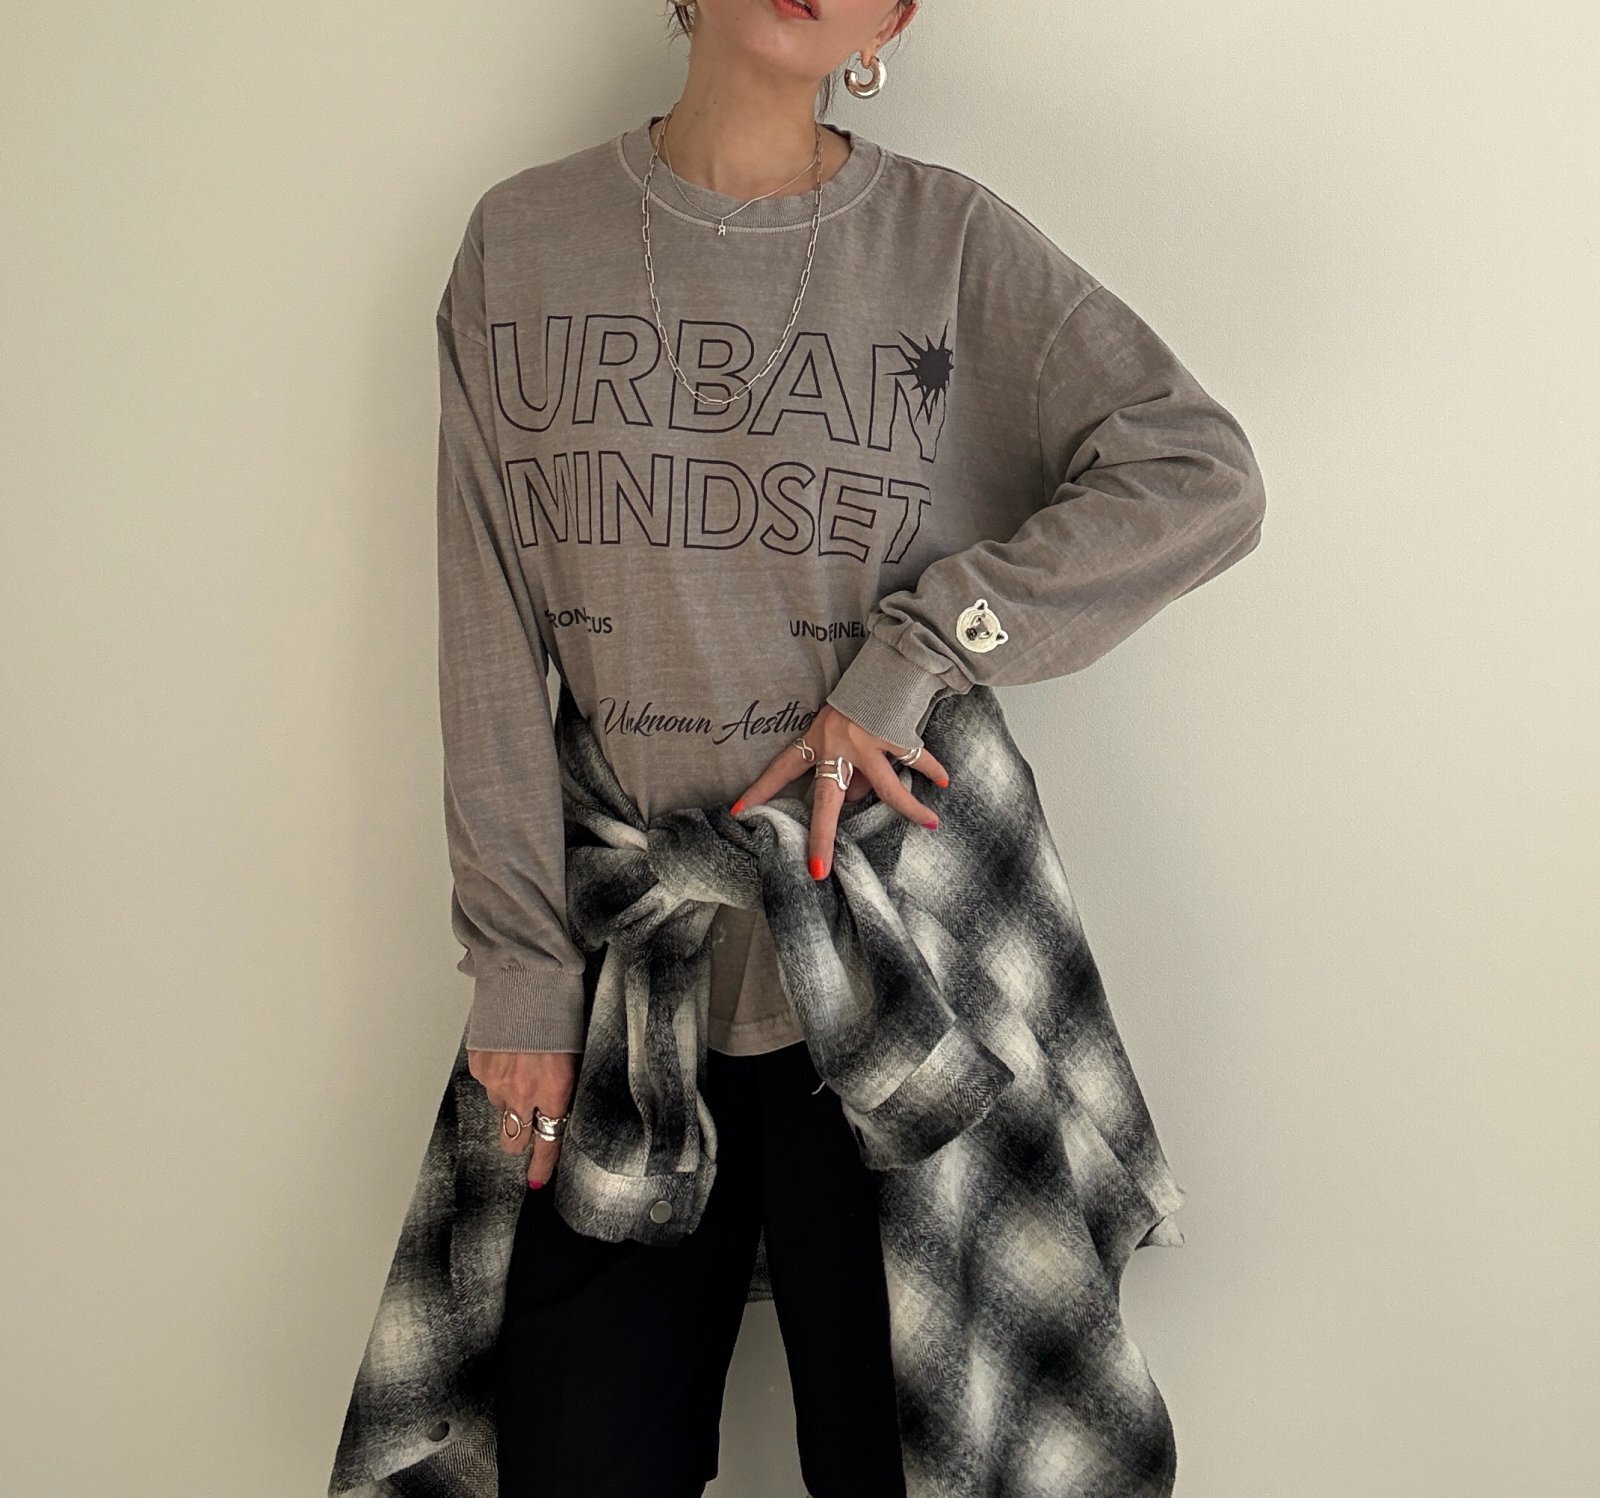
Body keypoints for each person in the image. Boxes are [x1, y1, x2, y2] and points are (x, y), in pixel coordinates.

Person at [432, 3, 1267, 1495]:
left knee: (911, 1460)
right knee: (568, 1454)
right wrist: (518, 969)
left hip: (898, 942)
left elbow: (1197, 474)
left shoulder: (947, 243)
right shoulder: (523, 243)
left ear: (893, 19)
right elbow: (487, 628)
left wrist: (923, 650)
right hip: (634, 963)